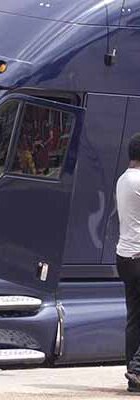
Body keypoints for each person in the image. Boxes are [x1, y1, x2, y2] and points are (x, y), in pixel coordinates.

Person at [117, 133, 140, 392]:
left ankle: (134, 381)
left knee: (135, 319)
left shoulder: (124, 179)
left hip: (125, 256)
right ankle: (137, 369)